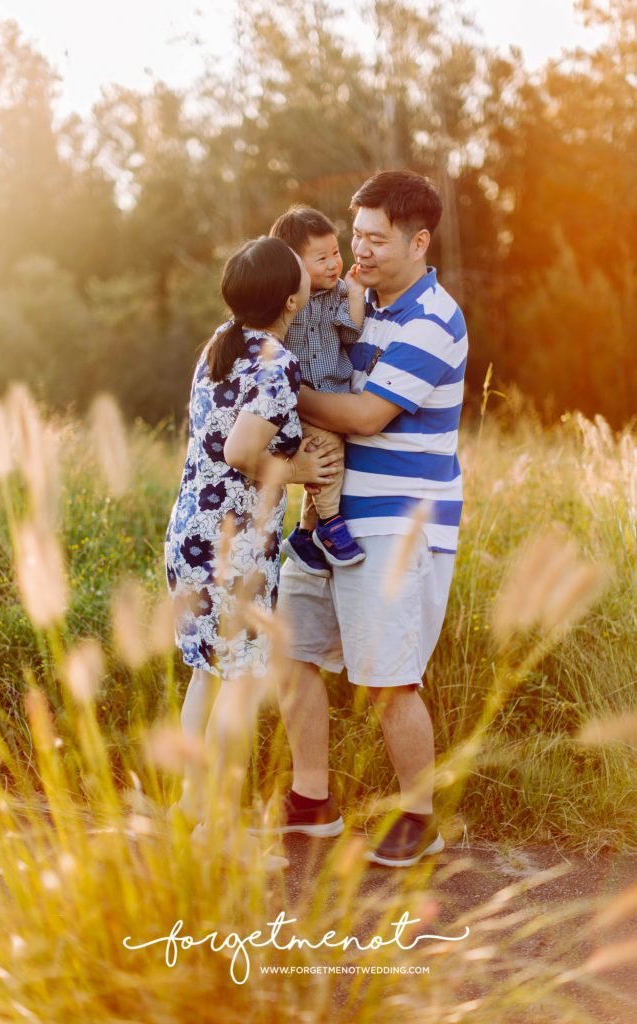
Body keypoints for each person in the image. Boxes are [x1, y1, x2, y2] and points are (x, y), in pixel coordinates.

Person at [256, 170, 468, 867]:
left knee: (386, 678)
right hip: (327, 522)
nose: (362, 251)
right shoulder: (355, 304)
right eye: (357, 237)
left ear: (418, 240)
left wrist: (285, 388)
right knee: (290, 652)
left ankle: (418, 816)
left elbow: (366, 414)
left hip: (396, 526)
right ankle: (311, 800)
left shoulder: (434, 319)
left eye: (377, 240)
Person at [164, 236, 341, 866]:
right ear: (292, 297)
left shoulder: (223, 341)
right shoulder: (275, 364)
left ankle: (190, 812)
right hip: (232, 546)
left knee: (208, 678)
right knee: (234, 685)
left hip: (191, 531)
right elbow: (242, 452)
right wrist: (299, 475)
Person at [269, 205, 366, 574]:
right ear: (293, 263)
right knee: (326, 452)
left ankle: (303, 534)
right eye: (321, 258)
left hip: (334, 394)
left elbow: (350, 332)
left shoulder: (340, 292)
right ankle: (329, 524)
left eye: (336, 253)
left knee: (326, 453)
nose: (333, 264)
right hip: (301, 402)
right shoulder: (287, 300)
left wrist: (356, 294)